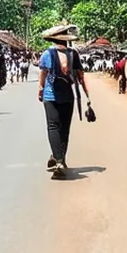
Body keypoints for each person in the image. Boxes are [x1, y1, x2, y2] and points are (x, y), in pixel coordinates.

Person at [37, 25, 91, 178]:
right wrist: (87, 96)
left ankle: (58, 160)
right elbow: (80, 76)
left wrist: (41, 88)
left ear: (53, 39)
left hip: (50, 96)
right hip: (68, 96)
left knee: (53, 126)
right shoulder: (73, 54)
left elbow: (43, 73)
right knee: (64, 129)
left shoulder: (47, 54)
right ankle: (60, 158)